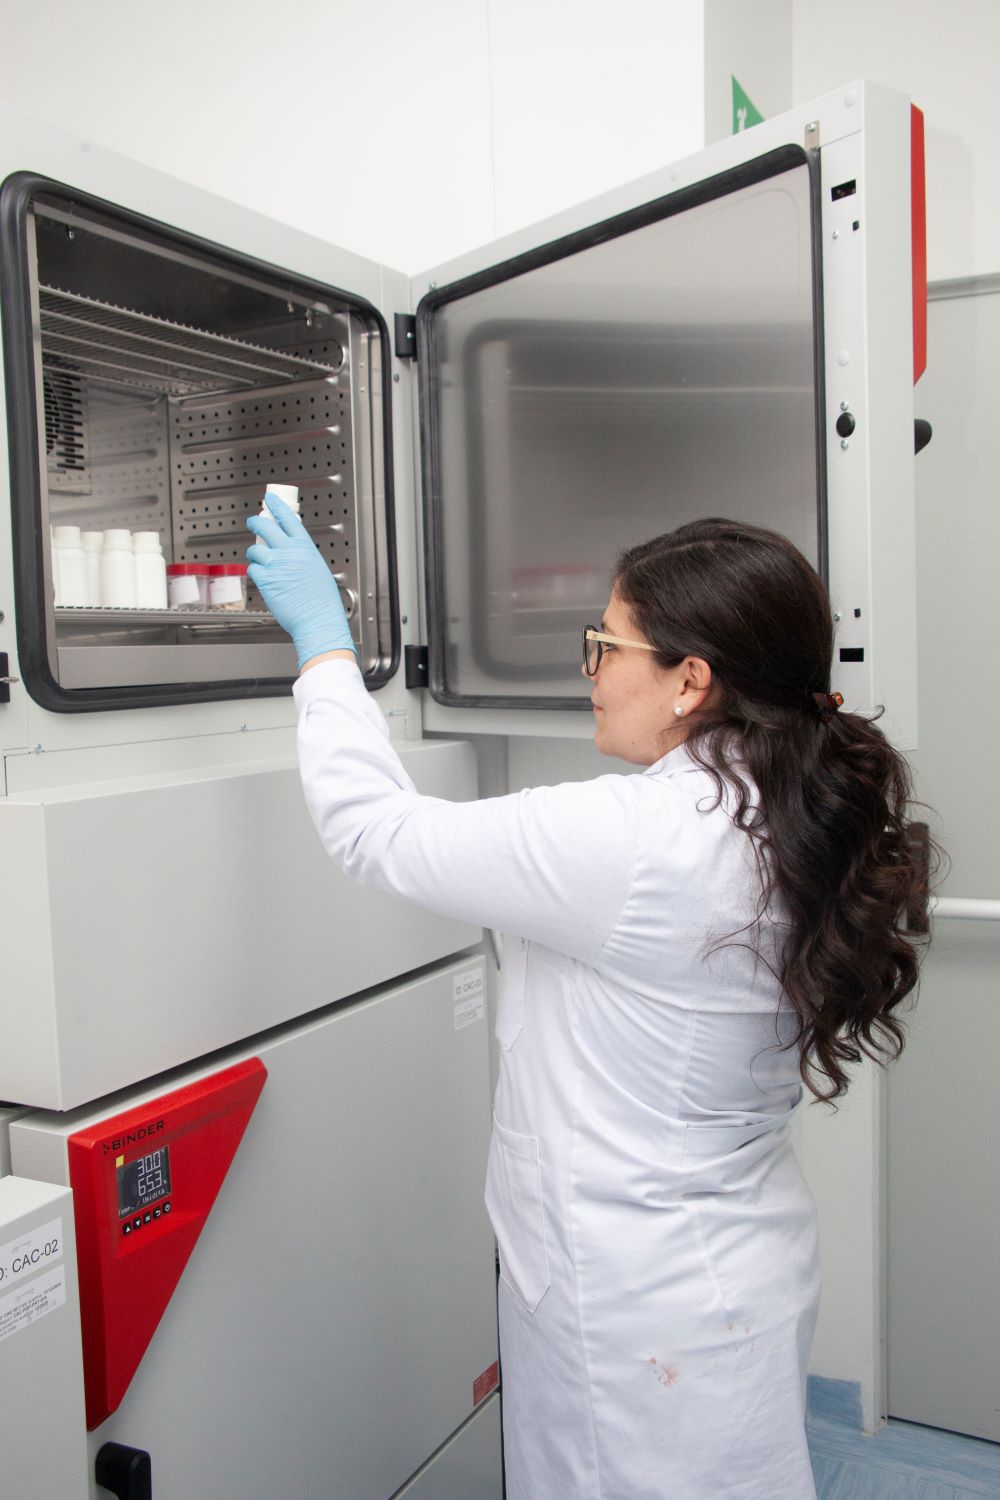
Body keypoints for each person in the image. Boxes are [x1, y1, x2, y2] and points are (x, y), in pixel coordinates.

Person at [246, 499, 931, 1500]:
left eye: (607, 645)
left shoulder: (637, 841)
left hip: (634, 1304)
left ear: (690, 680)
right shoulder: (778, 804)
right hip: (732, 1259)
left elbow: (375, 833)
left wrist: (324, 649)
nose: (592, 672)